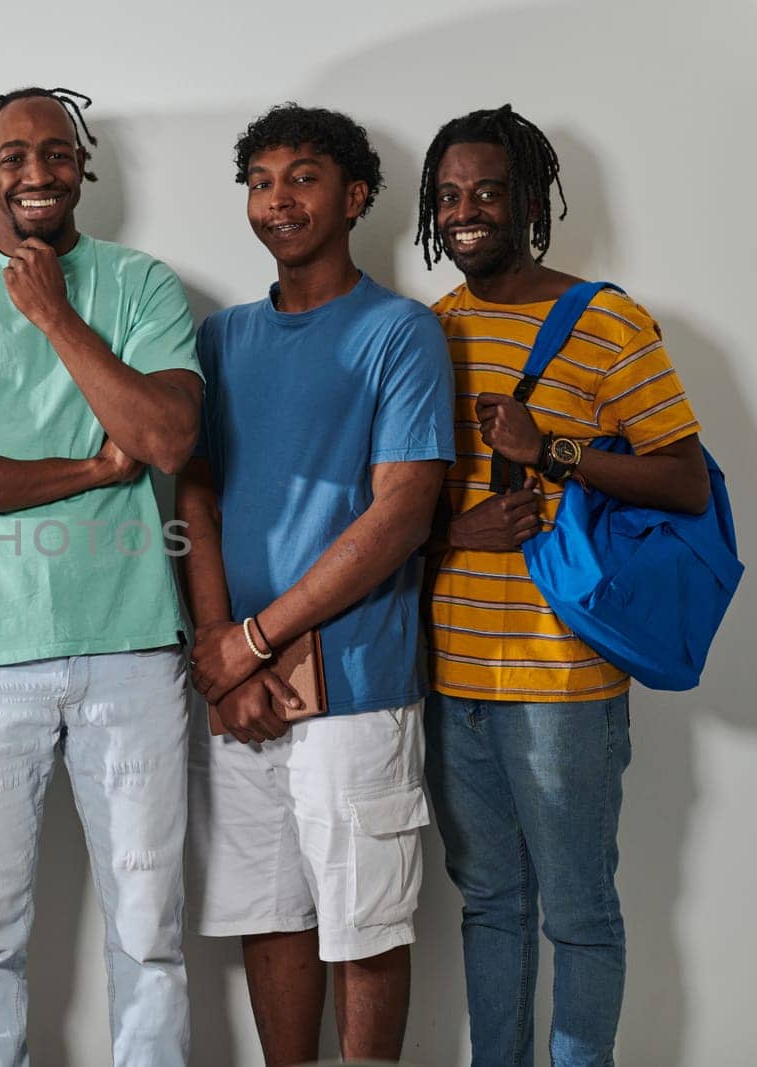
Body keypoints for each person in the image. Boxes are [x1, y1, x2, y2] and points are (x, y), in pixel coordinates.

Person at [0, 88, 201, 1066]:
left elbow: (169, 436)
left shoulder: (140, 287)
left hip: (133, 650)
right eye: (11, 154)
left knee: (149, 925)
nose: (35, 171)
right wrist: (96, 469)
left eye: (56, 152)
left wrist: (56, 316)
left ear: (82, 166)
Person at [416, 104, 710, 1067]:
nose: (465, 212)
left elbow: (684, 477)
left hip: (564, 682)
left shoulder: (607, 321)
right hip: (454, 676)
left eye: (487, 192)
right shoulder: (430, 330)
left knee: (579, 912)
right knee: (492, 905)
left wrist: (555, 449)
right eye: (449, 196)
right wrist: (457, 531)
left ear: (530, 202)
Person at [177, 104, 454, 1066]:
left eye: (302, 176)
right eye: (260, 180)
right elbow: (197, 499)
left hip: (356, 688)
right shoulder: (221, 338)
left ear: (356, 194)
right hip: (240, 689)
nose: (278, 199)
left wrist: (253, 640)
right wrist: (223, 653)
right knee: (273, 914)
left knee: (364, 926)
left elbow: (401, 513)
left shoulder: (400, 332)